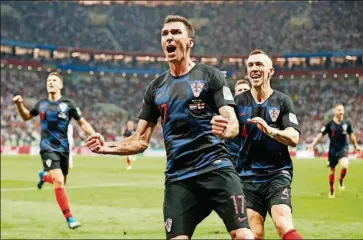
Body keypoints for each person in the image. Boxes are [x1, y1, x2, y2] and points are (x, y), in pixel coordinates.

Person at [86, 15, 253, 240]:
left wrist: (228, 129)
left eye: (175, 32)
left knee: (243, 235)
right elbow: (140, 140)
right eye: (165, 34)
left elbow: (231, 120)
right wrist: (106, 147)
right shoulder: (155, 88)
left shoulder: (209, 75)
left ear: (190, 42)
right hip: (179, 179)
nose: (169, 37)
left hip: (216, 169)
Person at [225, 49, 303, 239]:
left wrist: (271, 131)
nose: (254, 68)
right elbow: (227, 135)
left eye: (259, 64)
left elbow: (293, 138)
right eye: (251, 65)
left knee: (283, 224)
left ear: (271, 71)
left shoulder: (282, 101)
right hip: (247, 178)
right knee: (254, 233)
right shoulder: (237, 103)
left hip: (277, 174)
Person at [13, 72, 96, 229]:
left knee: (61, 182)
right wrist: (19, 104)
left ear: (61, 85)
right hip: (47, 148)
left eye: (54, 80)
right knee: (58, 181)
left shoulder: (68, 104)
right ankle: (70, 218)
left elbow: (82, 123)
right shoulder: (41, 104)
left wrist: (95, 135)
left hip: (63, 149)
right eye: (49, 80)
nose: (51, 82)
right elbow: (26, 117)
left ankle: (43, 177)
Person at [308, 103, 361, 198]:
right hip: (332, 150)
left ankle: (340, 179)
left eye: (342, 110)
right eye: (339, 110)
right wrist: (313, 144)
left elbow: (352, 136)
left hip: (343, 149)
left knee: (345, 165)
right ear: (334, 111)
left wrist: (356, 146)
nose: (341, 112)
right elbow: (321, 135)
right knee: (332, 170)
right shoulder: (330, 124)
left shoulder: (347, 123)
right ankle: (331, 191)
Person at [226, 78, 251, 166]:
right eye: (240, 90)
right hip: (233, 157)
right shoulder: (228, 110)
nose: (243, 92)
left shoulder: (259, 110)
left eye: (245, 89)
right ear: (235, 94)